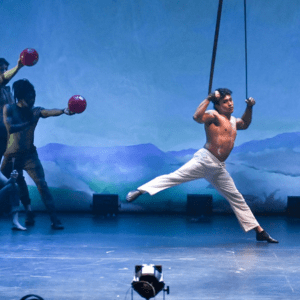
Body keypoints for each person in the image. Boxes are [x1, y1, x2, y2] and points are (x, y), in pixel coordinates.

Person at [126, 88, 278, 243]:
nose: (230, 103)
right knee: (174, 177)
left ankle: (259, 232)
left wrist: (249, 107)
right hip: (204, 161)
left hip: (218, 167)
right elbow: (197, 117)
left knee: (236, 197)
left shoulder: (233, 121)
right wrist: (208, 98)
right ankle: (140, 190)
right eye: (225, 101)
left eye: (231, 100)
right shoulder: (213, 115)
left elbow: (245, 124)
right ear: (218, 105)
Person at [1, 79, 75, 230]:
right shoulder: (8, 108)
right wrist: (29, 122)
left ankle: (54, 219)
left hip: (29, 155)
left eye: (34, 97)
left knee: (42, 185)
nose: (32, 100)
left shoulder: (35, 111)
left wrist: (63, 111)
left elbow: (47, 112)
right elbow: (11, 128)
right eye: (29, 97)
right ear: (20, 97)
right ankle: (28, 212)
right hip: (11, 156)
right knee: (14, 183)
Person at [0, 57, 24, 160]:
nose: (5, 71)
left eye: (6, 69)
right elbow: (3, 78)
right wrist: (18, 66)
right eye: (1, 69)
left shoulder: (7, 91)